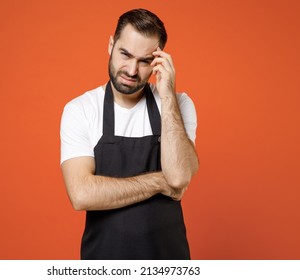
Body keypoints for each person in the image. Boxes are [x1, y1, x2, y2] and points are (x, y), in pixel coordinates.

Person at [60, 8, 199, 260]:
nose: (132, 70)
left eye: (145, 61)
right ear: (111, 44)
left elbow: (178, 177)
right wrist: (159, 182)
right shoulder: (80, 109)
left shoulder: (179, 104)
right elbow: (81, 194)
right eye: (125, 54)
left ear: (157, 62)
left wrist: (167, 94)